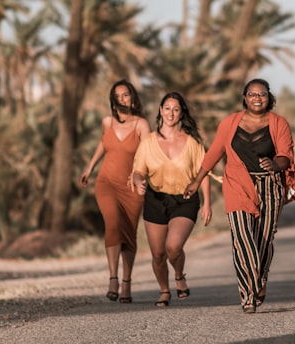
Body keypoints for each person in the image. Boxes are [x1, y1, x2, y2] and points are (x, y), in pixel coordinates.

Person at [183, 79, 295, 313]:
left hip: (269, 186)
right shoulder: (230, 123)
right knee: (242, 237)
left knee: (264, 239)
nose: (257, 98)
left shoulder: (279, 123)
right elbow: (214, 152)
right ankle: (249, 292)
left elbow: (286, 157)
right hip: (237, 183)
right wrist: (196, 181)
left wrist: (275, 164)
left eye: (262, 94)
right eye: (252, 94)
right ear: (244, 97)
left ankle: (260, 278)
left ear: (269, 97)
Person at [130, 92, 212, 307]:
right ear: (160, 110)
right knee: (158, 253)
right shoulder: (148, 142)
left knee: (173, 247)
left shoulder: (192, 142)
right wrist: (138, 182)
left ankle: (179, 275)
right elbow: (138, 170)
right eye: (167, 108)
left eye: (176, 109)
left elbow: (202, 173)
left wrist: (207, 203)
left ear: (181, 113)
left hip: (185, 199)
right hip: (155, 199)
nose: (171, 113)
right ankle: (165, 290)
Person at [80, 80, 151, 303]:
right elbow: (103, 144)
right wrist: (90, 167)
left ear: (133, 98)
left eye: (126, 95)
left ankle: (127, 282)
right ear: (113, 100)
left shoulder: (141, 125)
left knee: (129, 231)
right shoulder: (107, 122)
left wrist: (141, 177)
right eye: (118, 96)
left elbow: (148, 154)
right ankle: (113, 278)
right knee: (112, 224)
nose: (122, 99)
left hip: (131, 186)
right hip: (106, 182)